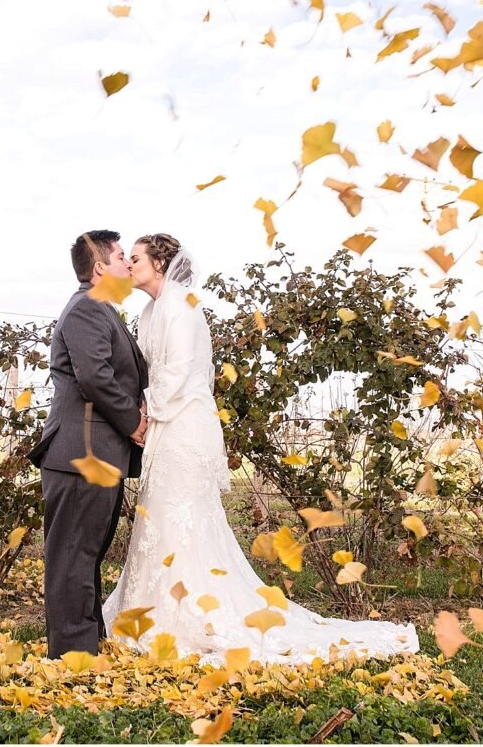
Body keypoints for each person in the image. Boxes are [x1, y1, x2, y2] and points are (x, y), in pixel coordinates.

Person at [102, 233, 419, 666]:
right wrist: (141, 413)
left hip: (183, 425)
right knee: (159, 516)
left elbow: (178, 372)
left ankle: (194, 616)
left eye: (135, 258)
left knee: (183, 517)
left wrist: (146, 413)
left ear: (159, 264)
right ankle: (152, 611)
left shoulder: (181, 307)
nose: (129, 265)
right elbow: (147, 371)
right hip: (162, 424)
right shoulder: (148, 312)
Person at [29, 230, 148, 659]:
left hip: (97, 453)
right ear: (100, 268)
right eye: (120, 256)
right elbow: (95, 376)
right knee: (72, 556)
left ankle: (87, 641)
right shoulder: (86, 309)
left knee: (86, 553)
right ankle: (71, 655)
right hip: (81, 453)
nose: (127, 263)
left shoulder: (101, 309)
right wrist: (134, 422)